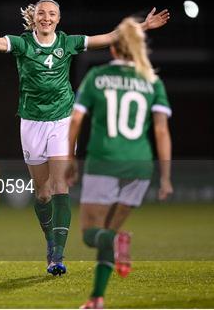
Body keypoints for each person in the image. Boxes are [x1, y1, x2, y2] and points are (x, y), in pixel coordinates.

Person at [0, 0, 169, 276]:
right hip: (31, 122)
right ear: (34, 19)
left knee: (60, 186)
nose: (46, 18)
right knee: (42, 193)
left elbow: (109, 38)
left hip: (62, 120)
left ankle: (57, 254)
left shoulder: (68, 42)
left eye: (52, 14)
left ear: (59, 19)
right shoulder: (22, 44)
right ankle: (50, 239)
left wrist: (144, 26)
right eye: (42, 13)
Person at [65, 17, 174, 309]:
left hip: (105, 162)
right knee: (108, 233)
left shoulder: (97, 77)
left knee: (91, 235)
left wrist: (69, 160)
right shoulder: (152, 81)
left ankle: (113, 244)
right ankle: (96, 298)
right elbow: (161, 130)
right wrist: (165, 177)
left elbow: (76, 120)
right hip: (140, 166)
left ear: (113, 49)